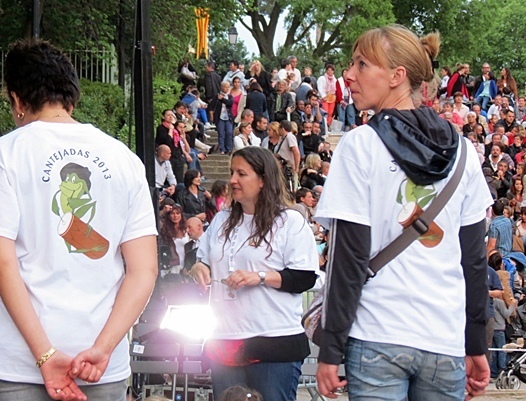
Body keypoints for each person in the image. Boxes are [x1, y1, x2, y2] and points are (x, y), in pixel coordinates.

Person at [314, 25, 493, 400]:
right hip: (443, 338)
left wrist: (330, 348)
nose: (349, 74)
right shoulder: (464, 152)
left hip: (378, 332)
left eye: (362, 64)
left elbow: (347, 257)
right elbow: (473, 261)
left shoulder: (360, 145)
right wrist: (476, 343)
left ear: (397, 76)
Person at [0, 39, 158, 401]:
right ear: (72, 97)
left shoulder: (7, 154)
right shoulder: (124, 160)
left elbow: (3, 261)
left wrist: (45, 354)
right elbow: (144, 270)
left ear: (17, 100)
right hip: (101, 366)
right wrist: (103, 348)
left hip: (19, 364)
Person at [191, 147, 318, 401]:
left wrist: (258, 276)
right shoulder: (221, 220)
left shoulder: (289, 222)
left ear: (263, 180)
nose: (233, 180)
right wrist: (199, 268)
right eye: (231, 173)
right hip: (224, 340)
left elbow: (304, 277)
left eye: (241, 173)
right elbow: (201, 259)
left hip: (273, 341)